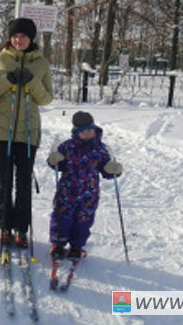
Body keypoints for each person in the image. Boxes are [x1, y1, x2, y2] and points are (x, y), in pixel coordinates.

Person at [0, 17, 53, 249]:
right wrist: (7, 79)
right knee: (4, 181)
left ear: (31, 38)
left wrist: (31, 82)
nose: (18, 40)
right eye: (14, 36)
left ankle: (22, 228)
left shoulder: (41, 64)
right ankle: (5, 227)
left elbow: (47, 98)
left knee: (23, 183)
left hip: (28, 131)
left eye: (22, 36)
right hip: (1, 130)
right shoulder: (0, 58)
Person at [47, 111, 123, 260]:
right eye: (84, 131)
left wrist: (113, 170)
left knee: (84, 221)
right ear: (76, 131)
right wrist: (54, 160)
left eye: (91, 129)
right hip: (66, 192)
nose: (89, 133)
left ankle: (76, 246)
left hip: (89, 194)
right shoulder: (67, 147)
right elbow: (58, 165)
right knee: (62, 218)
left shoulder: (101, 150)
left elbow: (106, 171)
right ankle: (58, 244)